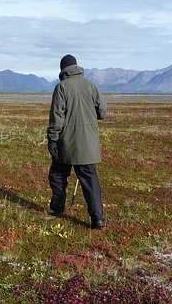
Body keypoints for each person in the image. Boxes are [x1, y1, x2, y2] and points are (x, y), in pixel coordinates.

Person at [46, 54, 107, 230]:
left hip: (65, 144)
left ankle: (57, 209)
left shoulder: (62, 88)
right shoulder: (91, 86)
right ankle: (98, 220)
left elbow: (57, 118)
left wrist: (52, 139)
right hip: (88, 144)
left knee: (57, 176)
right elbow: (102, 112)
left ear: (62, 70)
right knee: (90, 181)